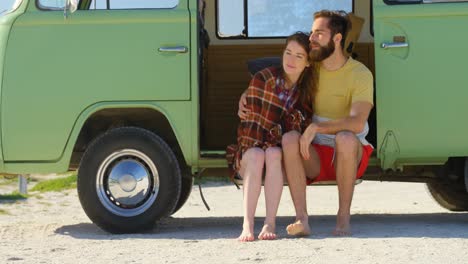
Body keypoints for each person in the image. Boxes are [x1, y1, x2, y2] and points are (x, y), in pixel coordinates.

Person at [238, 10, 374, 236]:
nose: (311, 39)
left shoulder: (360, 73)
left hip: (351, 152)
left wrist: (317, 127)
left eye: (319, 34)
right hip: (316, 154)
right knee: (290, 138)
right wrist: (247, 93)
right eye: (311, 33)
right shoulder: (312, 66)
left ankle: (343, 219)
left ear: (337, 38)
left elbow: (358, 122)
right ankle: (302, 218)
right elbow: (279, 76)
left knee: (345, 138)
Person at [227, 32, 317, 242]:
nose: (291, 60)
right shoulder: (264, 78)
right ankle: (247, 224)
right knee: (259, 154)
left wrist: (274, 143)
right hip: (250, 148)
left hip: (277, 154)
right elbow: (250, 128)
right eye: (287, 53)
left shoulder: (306, 93)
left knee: (274, 153)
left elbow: (298, 128)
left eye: (298, 56)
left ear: (307, 63)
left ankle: (270, 223)